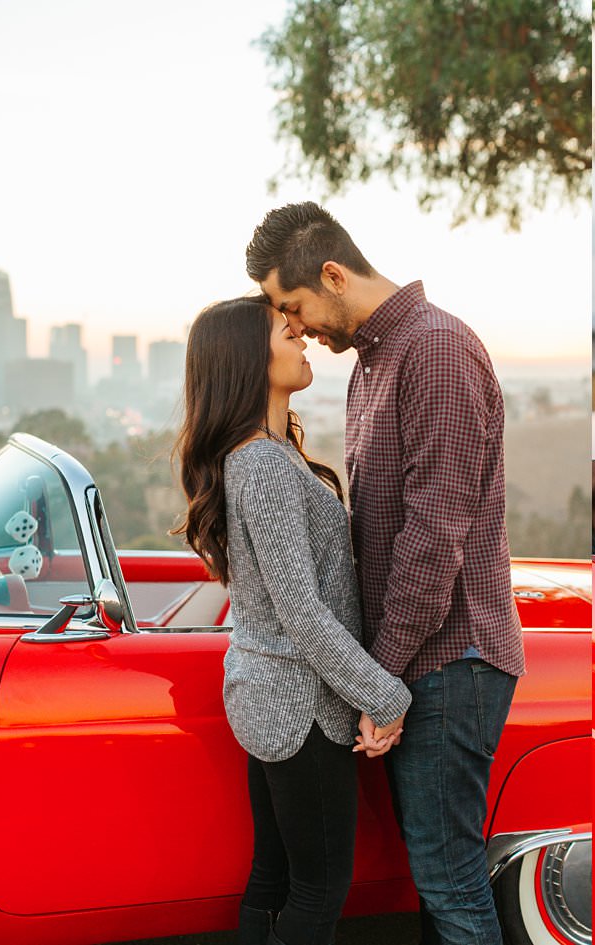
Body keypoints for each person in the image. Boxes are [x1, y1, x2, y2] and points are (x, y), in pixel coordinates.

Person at [247, 202, 522, 945]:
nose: (300, 328)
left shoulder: (434, 350)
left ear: (333, 274)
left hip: (449, 659)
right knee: (433, 882)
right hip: (416, 664)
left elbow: (435, 540)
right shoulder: (375, 361)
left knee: (449, 879)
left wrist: (382, 680)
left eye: (295, 306)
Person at [173, 296, 412, 945]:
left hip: (272, 698)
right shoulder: (263, 465)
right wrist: (384, 695)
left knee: (274, 874)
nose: (304, 340)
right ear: (254, 356)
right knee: (319, 888)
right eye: (290, 332)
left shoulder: (264, 454)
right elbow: (301, 610)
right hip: (299, 707)